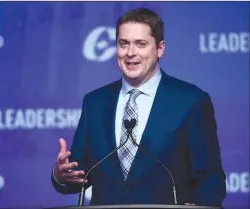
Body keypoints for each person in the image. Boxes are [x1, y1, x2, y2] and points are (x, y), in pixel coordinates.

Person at [51, 7, 226, 206]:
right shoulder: (95, 102)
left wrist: (201, 207)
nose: (130, 53)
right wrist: (61, 175)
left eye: (141, 44)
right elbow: (79, 176)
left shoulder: (191, 101)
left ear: (160, 48)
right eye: (123, 44)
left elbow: (210, 177)